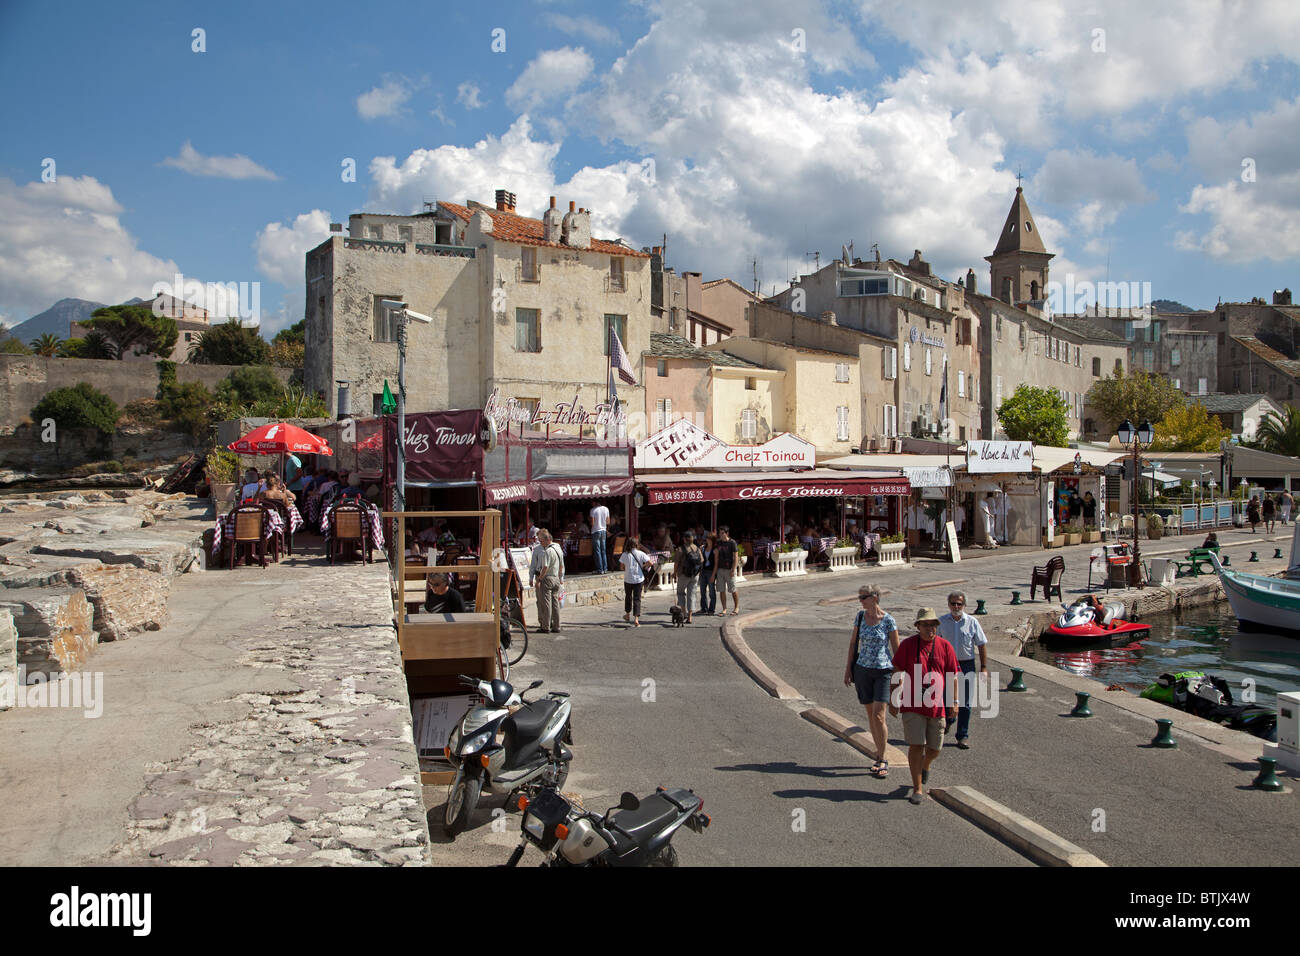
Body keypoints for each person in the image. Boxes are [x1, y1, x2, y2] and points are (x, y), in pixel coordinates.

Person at [889, 607, 960, 805]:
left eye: (933, 625)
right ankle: (917, 787)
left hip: (936, 705)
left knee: (935, 748)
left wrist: (955, 701)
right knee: (915, 745)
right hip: (913, 704)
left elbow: (953, 676)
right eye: (926, 625)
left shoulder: (945, 647)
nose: (930, 629)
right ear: (918, 626)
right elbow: (897, 670)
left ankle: (925, 766)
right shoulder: (908, 645)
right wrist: (893, 698)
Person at [843, 584, 899, 779]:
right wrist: (848, 669)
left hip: (883, 671)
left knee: (878, 715)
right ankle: (878, 752)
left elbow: (896, 650)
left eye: (864, 597)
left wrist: (898, 679)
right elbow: (853, 644)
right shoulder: (860, 617)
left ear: (875, 598)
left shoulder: (889, 621)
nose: (861, 601)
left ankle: (883, 757)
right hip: (862, 670)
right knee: (870, 714)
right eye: (860, 597)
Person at [937, 591, 987, 750]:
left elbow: (981, 644)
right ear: (948, 604)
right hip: (947, 665)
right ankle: (949, 721)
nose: (956, 606)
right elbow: (935, 644)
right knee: (946, 698)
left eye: (959, 604)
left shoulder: (972, 622)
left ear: (964, 605)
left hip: (966, 665)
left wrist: (983, 667)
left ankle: (962, 735)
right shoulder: (941, 622)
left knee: (965, 703)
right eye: (953, 603)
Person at [529, 529, 565, 634]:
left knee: (546, 603)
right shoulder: (558, 548)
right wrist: (561, 577)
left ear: (546, 539)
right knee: (555, 602)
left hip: (547, 578)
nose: (540, 542)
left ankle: (545, 626)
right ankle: (556, 625)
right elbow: (562, 565)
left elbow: (545, 566)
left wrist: (539, 579)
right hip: (556, 578)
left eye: (540, 540)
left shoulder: (547, 551)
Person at [619, 536, 653, 627]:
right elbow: (650, 563)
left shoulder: (624, 555)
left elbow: (621, 567)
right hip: (639, 579)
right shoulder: (641, 553)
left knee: (628, 597)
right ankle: (636, 619)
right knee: (637, 599)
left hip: (628, 579)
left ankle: (627, 614)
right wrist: (643, 566)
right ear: (636, 544)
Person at [672, 531, 703, 624]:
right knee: (692, 595)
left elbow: (676, 563)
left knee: (680, 593)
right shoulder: (697, 548)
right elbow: (702, 560)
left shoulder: (680, 549)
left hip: (684, 575)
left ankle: (683, 613)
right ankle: (689, 617)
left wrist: (674, 573)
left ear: (684, 539)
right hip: (695, 575)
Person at [713, 526, 740, 616]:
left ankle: (736, 607)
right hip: (720, 568)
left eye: (722, 533)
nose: (720, 535)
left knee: (733, 589)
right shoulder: (718, 542)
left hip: (729, 569)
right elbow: (715, 552)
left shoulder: (732, 542)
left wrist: (733, 569)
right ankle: (724, 608)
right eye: (719, 533)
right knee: (721, 590)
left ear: (727, 533)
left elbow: (735, 556)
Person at [590, 501, 611, 575]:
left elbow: (592, 523)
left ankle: (600, 569)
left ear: (595, 502)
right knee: (603, 550)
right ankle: (605, 568)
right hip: (603, 531)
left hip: (596, 531)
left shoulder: (593, 510)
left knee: (597, 551)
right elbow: (608, 522)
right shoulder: (606, 509)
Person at [700, 533, 718, 615]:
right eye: (707, 538)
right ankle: (704, 608)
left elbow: (716, 564)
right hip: (703, 571)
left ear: (713, 540)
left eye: (709, 539)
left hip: (711, 571)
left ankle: (711, 609)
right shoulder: (703, 548)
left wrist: (713, 575)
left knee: (711, 591)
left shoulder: (715, 550)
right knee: (702, 590)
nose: (707, 540)